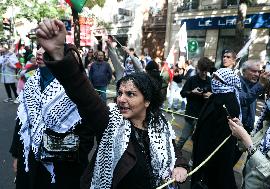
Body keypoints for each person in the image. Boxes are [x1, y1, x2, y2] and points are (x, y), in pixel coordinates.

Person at [36, 19, 188, 189]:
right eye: (120, 93)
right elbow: (82, 92)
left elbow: (174, 151)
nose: (121, 99)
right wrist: (58, 53)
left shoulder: (160, 124)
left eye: (130, 94)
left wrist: (181, 165)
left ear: (147, 101)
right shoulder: (110, 121)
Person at [9, 47, 95, 189]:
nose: (39, 52)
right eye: (39, 47)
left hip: (63, 169)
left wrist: (51, 147)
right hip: (30, 163)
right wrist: (18, 156)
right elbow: (22, 122)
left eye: (46, 49)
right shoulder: (30, 83)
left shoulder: (75, 87)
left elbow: (86, 135)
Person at [228, 73, 270, 188]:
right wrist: (241, 132)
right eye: (268, 96)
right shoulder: (267, 124)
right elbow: (248, 146)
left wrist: (245, 139)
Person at [191, 68, 241, 189]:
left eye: (218, 79)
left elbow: (221, 140)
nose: (214, 81)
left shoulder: (230, 103)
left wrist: (207, 162)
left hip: (212, 158)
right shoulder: (216, 96)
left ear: (227, 82)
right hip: (201, 148)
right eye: (213, 77)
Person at [176, 57, 212, 150]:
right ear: (198, 68)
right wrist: (192, 92)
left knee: (197, 141)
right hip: (191, 113)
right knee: (183, 137)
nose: (204, 73)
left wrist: (210, 95)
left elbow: (215, 97)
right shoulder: (192, 79)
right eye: (202, 70)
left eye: (206, 71)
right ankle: (174, 155)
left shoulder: (210, 81)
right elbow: (182, 93)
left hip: (203, 115)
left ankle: (193, 161)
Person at [239, 60, 270, 133]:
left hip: (249, 127)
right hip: (238, 127)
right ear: (244, 71)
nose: (257, 74)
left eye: (259, 72)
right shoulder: (237, 82)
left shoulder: (255, 83)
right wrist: (260, 84)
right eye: (254, 71)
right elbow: (244, 100)